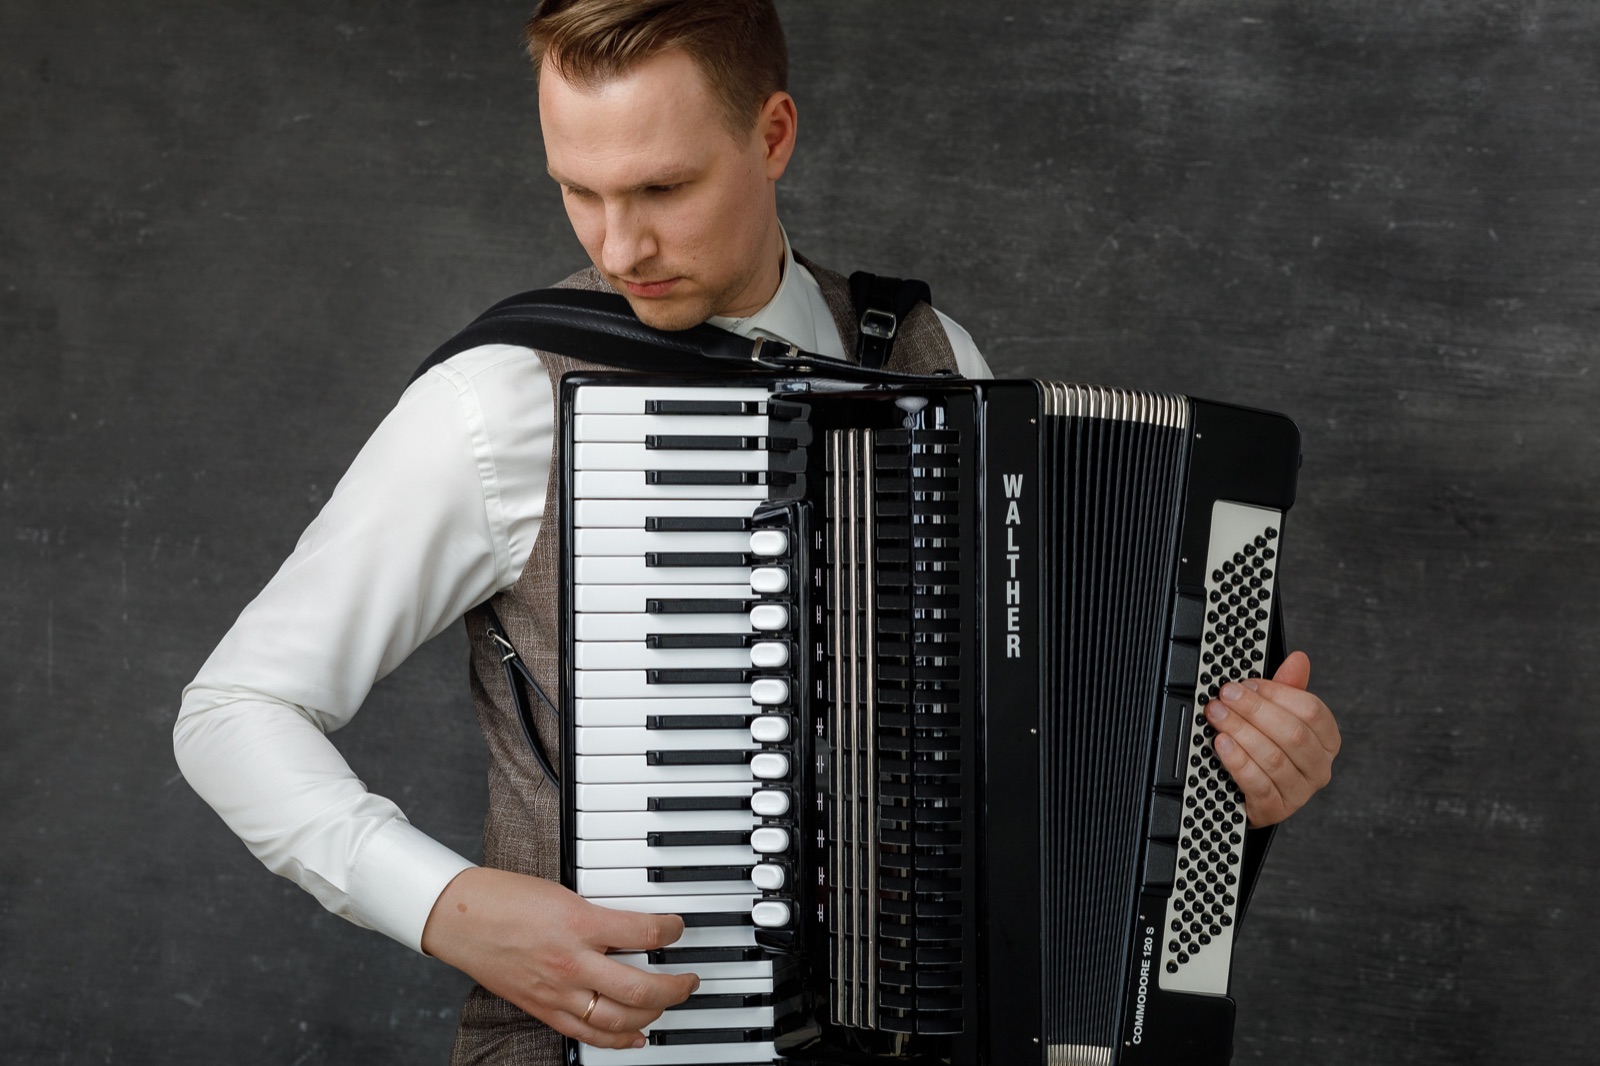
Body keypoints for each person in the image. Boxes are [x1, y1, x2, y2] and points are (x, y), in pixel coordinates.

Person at [173, 2, 1342, 1063]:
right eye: (579, 189)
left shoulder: (932, 358)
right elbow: (234, 710)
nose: (618, 246)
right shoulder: (502, 399)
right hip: (603, 1045)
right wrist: (447, 909)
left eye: (662, 188)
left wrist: (1222, 778)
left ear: (772, 135)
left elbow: (1034, 741)